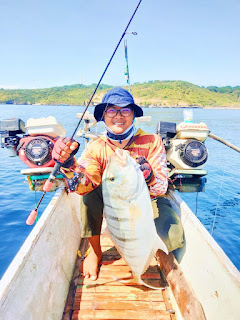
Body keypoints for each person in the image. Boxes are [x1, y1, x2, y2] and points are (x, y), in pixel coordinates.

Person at [52, 87, 184, 280]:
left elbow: (161, 188)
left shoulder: (151, 141)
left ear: (133, 115)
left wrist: (149, 176)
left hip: (148, 202)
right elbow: (84, 184)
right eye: (112, 111)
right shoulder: (96, 147)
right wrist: (69, 163)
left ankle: (149, 251)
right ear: (104, 116)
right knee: (89, 195)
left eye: (125, 111)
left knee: (173, 238)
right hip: (113, 206)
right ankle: (96, 251)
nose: (118, 116)